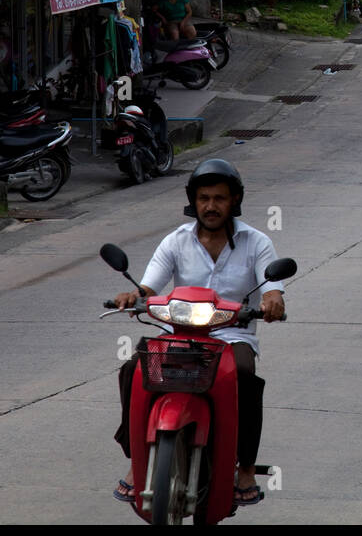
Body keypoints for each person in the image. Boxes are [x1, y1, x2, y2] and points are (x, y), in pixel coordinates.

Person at [111, 159, 285, 509]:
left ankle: (246, 469)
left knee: (246, 378)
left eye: (219, 198)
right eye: (204, 198)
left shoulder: (257, 242)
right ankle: (137, 461)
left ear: (234, 200)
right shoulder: (175, 241)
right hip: (176, 336)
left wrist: (272, 301)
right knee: (132, 371)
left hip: (231, 339)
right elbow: (149, 286)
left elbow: (273, 289)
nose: (211, 206)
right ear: (194, 200)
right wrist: (134, 296)